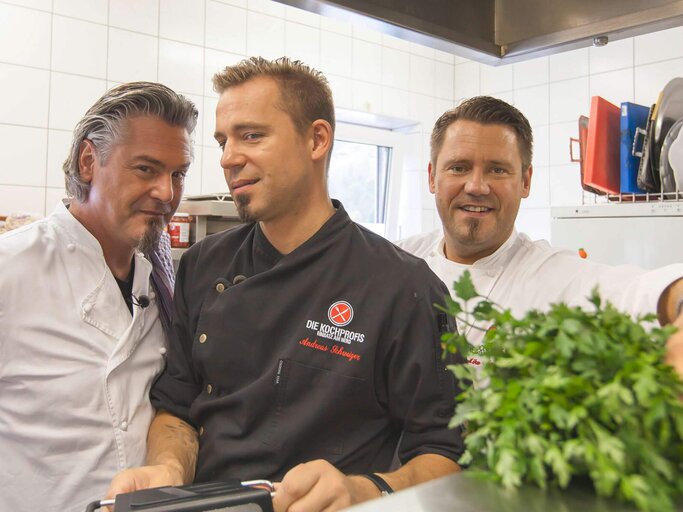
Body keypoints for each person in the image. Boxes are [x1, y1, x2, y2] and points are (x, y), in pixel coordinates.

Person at [107, 57, 464, 512]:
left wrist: (363, 489)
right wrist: (168, 471)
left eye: (251, 135)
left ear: (317, 139)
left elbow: (446, 455)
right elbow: (178, 408)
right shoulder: (202, 265)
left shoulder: (404, 287)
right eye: (223, 141)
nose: (229, 158)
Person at [0, 82, 198, 512]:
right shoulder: (10, 271)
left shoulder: (160, 282)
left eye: (178, 173)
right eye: (146, 169)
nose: (167, 192)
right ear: (89, 161)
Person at [397, 96, 683, 350]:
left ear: (525, 181)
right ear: (432, 177)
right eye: (459, 167)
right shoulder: (396, 261)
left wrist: (676, 300)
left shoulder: (552, 276)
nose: (476, 186)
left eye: (498, 170)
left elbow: (632, 292)